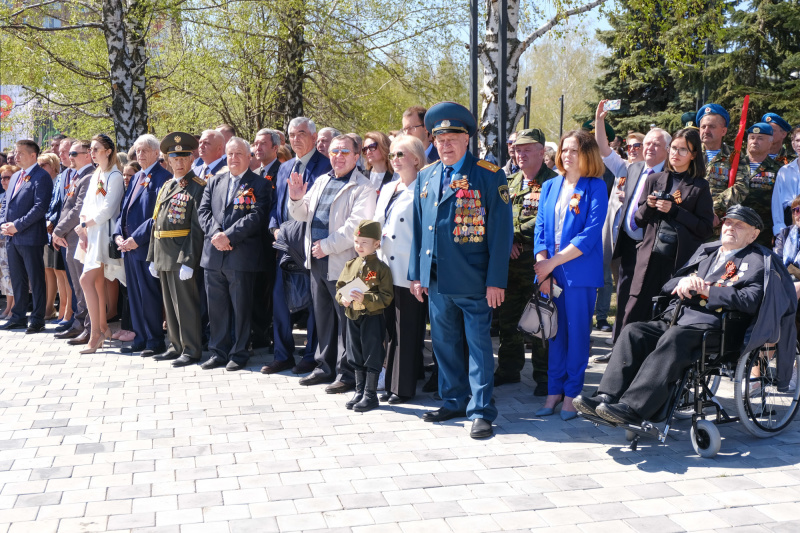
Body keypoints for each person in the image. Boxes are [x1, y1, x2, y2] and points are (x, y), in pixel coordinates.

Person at [576, 206, 788, 426]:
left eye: (739, 225)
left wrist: (709, 291)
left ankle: (633, 408)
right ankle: (607, 397)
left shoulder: (757, 261)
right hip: (678, 317)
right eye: (727, 222)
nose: (730, 227)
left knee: (674, 338)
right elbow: (668, 284)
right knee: (633, 332)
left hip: (716, 326)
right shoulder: (707, 252)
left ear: (753, 234)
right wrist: (683, 282)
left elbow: (751, 300)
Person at [408, 101, 513, 439]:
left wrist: (496, 280)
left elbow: (501, 234)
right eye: (440, 139)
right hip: (437, 278)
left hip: (474, 278)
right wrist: (416, 274)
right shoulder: (426, 176)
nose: (446, 144)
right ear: (433, 141)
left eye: (453, 137)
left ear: (467, 138)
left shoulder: (487, 175)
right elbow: (419, 227)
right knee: (444, 343)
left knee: (480, 346)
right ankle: (453, 399)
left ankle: (481, 410)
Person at [287, 134, 377, 392]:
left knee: (346, 318)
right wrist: (295, 198)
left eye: (345, 152)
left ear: (356, 156)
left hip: (345, 263)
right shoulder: (322, 180)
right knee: (323, 316)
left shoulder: (363, 187)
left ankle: (347, 373)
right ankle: (324, 367)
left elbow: (356, 228)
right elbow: (302, 214)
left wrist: (326, 247)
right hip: (317, 260)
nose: (338, 156)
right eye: (335, 151)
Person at [533, 130, 608, 420]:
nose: (566, 155)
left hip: (578, 274)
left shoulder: (596, 186)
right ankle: (553, 393)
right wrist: (543, 263)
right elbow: (541, 228)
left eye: (574, 150)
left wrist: (552, 263)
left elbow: (590, 236)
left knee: (577, 335)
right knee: (554, 334)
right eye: (564, 150)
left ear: (587, 153)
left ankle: (572, 395)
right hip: (549, 272)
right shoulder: (551, 185)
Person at [616, 128, 714, 332]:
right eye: (673, 149)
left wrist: (675, 211)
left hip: (677, 262)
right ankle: (624, 359)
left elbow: (705, 228)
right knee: (633, 314)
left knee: (667, 318)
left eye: (683, 150)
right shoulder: (655, 179)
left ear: (694, 154)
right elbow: (639, 219)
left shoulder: (699, 186)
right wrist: (649, 206)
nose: (676, 154)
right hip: (649, 259)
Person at [198, 137, 273, 370]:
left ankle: (239, 353)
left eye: (239, 154)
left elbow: (257, 216)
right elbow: (203, 212)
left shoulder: (259, 184)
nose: (233, 158)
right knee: (216, 308)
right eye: (230, 154)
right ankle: (218, 351)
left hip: (241, 255)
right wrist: (217, 234)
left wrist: (229, 236)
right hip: (213, 254)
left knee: (241, 309)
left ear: (249, 156)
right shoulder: (214, 181)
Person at [263, 117, 331, 375]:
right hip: (284, 244)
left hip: (311, 243)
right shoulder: (285, 167)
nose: (296, 138)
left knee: (314, 302)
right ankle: (283, 355)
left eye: (302, 133)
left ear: (314, 138)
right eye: (292, 134)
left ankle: (311, 356)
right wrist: (274, 227)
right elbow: (276, 204)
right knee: (280, 299)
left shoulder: (325, 165)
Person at [494, 128, 556, 395]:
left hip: (539, 262)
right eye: (518, 149)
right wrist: (507, 241)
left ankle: (544, 376)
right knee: (508, 318)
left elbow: (548, 219)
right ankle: (509, 369)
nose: (521, 154)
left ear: (542, 152)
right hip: (510, 264)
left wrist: (515, 235)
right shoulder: (508, 182)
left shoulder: (554, 183)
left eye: (527, 149)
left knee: (542, 318)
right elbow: (497, 216)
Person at [374, 135, 427, 404]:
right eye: (392, 155)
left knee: (405, 330)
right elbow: (376, 223)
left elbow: (423, 235)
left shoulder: (423, 190)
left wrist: (419, 275)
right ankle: (388, 380)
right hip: (384, 268)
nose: (394, 160)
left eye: (400, 155)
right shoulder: (388, 188)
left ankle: (402, 388)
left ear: (417, 159)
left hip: (408, 270)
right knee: (389, 331)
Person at [148, 132, 206, 368]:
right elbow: (156, 221)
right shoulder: (166, 185)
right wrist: (152, 255)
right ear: (168, 160)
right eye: (174, 158)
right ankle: (175, 345)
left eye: (184, 157)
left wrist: (189, 260)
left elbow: (197, 228)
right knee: (170, 306)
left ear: (192, 159)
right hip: (163, 252)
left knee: (185, 305)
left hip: (182, 252)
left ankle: (191, 349)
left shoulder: (197, 186)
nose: (179, 162)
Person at [114, 134, 171, 356]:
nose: (141, 154)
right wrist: (118, 234)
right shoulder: (137, 177)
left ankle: (154, 339)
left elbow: (157, 216)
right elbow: (124, 209)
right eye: (138, 150)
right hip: (128, 247)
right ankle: (140, 335)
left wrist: (135, 239)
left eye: (146, 149)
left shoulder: (163, 178)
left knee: (149, 295)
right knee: (134, 295)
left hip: (146, 246)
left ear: (157, 153)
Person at [73, 134, 126, 353]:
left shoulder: (114, 175)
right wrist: (82, 226)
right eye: (91, 150)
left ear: (108, 151)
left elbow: (109, 209)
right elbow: (86, 204)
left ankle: (95, 334)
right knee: (96, 284)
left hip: (104, 233)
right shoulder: (97, 173)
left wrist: (88, 225)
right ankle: (103, 328)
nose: (92, 153)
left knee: (86, 280)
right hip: (91, 233)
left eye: (96, 149)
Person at [336, 220, 393, 412]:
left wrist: (366, 298)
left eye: (364, 242)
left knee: (372, 354)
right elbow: (339, 288)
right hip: (352, 316)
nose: (359, 246)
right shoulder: (350, 264)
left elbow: (386, 297)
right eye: (357, 241)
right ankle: (359, 392)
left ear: (377, 244)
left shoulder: (382, 269)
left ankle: (371, 395)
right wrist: (342, 298)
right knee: (355, 353)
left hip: (372, 317)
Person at [1, 140, 53, 333]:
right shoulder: (15, 176)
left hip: (30, 236)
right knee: (17, 278)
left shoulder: (41, 176)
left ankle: (37, 319)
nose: (16, 155)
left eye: (20, 152)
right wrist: (4, 224)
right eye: (15, 152)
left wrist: (17, 225)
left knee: (36, 278)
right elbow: (6, 202)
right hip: (12, 237)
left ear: (33, 155)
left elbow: (40, 207)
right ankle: (18, 316)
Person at [52, 141, 96, 345]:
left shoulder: (88, 177)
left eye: (74, 153)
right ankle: (80, 324)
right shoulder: (79, 176)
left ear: (87, 155)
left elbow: (77, 210)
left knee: (82, 285)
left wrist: (58, 230)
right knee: (77, 286)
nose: (70, 157)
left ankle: (88, 327)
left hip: (78, 238)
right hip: (70, 238)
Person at [250, 129, 282, 350]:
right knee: (257, 290)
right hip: (254, 242)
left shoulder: (282, 170)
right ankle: (259, 334)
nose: (258, 148)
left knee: (273, 291)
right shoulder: (255, 173)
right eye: (256, 144)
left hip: (272, 242)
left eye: (263, 144)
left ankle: (273, 335)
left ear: (275, 148)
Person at [696, 104, 748, 226]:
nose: (706, 131)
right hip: (690, 220)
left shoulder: (735, 156)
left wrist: (712, 209)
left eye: (712, 127)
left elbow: (741, 188)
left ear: (723, 131)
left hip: (719, 223)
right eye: (703, 127)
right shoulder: (690, 153)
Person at [38, 152, 70, 322]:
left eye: (44, 165)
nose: (40, 168)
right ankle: (51, 306)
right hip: (48, 229)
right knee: (50, 270)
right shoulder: (44, 180)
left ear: (53, 166)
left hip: (58, 229)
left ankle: (60, 307)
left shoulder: (60, 179)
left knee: (59, 271)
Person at [0, 165, 20, 317]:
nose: (3, 181)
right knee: (5, 275)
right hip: (3, 239)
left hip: (14, 237)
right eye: (2, 178)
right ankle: (8, 306)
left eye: (7, 177)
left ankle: (14, 307)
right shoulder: (3, 196)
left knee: (13, 274)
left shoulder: (16, 193)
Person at [773, 127, 800, 236]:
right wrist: (780, 229)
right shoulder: (784, 171)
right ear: (793, 145)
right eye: (797, 141)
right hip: (790, 218)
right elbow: (777, 203)